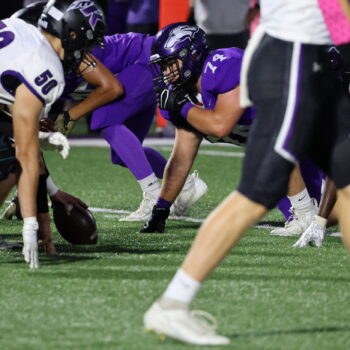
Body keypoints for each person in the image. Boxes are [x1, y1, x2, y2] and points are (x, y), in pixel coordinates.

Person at [143, 1, 350, 345]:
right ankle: (173, 302)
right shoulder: (204, 82)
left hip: (306, 55)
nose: (167, 72)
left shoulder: (215, 70)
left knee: (345, 179)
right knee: (257, 193)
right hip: (292, 54)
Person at [55, 28, 207, 222]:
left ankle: (153, 195)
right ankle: (186, 185)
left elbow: (112, 89)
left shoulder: (67, 57)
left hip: (146, 60)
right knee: (122, 154)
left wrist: (71, 115)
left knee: (105, 118)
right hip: (138, 68)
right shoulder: (40, 75)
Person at [0, 0, 106, 269]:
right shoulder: (44, 68)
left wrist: (50, 193)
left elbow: (18, 134)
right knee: (10, 165)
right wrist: (33, 223)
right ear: (70, 34)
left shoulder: (18, 31)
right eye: (84, 43)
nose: (84, 53)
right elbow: (25, 153)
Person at [140, 22, 254, 233]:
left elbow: (220, 126)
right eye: (163, 66)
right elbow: (181, 159)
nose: (167, 73)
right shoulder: (184, 95)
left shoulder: (222, 67)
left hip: (307, 137)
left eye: (171, 63)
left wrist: (182, 106)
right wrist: (161, 210)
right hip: (281, 154)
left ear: (191, 55)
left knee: (323, 214)